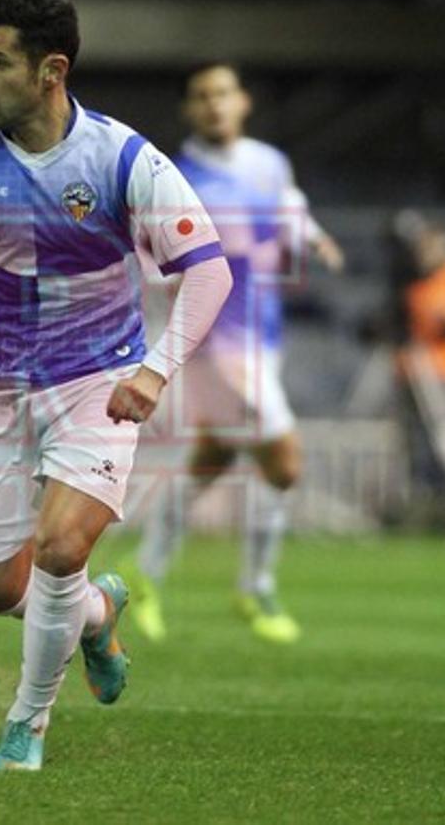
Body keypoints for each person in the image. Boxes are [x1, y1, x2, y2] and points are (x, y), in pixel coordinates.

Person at [0, 0, 233, 771]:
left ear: (50, 70)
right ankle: (98, 615)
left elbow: (209, 274)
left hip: (95, 386)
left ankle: (25, 727)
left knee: (62, 547)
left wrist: (155, 372)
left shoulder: (121, 157)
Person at [124, 62, 345, 645]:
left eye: (223, 92)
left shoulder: (269, 162)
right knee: (285, 458)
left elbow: (289, 206)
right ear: (189, 111)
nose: (215, 104)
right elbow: (158, 260)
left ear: (242, 100)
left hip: (262, 333)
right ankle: (256, 587)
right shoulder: (180, 177)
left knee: (212, 459)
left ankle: (143, 576)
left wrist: (314, 237)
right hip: (217, 342)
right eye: (202, 96)